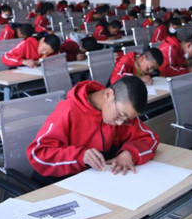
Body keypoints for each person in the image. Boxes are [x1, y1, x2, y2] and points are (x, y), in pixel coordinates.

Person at [27, 76, 158, 178]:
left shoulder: (123, 115)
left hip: (97, 180)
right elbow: (38, 155)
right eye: (119, 116)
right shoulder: (68, 110)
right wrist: (80, 156)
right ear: (108, 94)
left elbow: (150, 138)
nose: (120, 123)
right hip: (64, 182)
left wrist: (129, 153)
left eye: (126, 119)